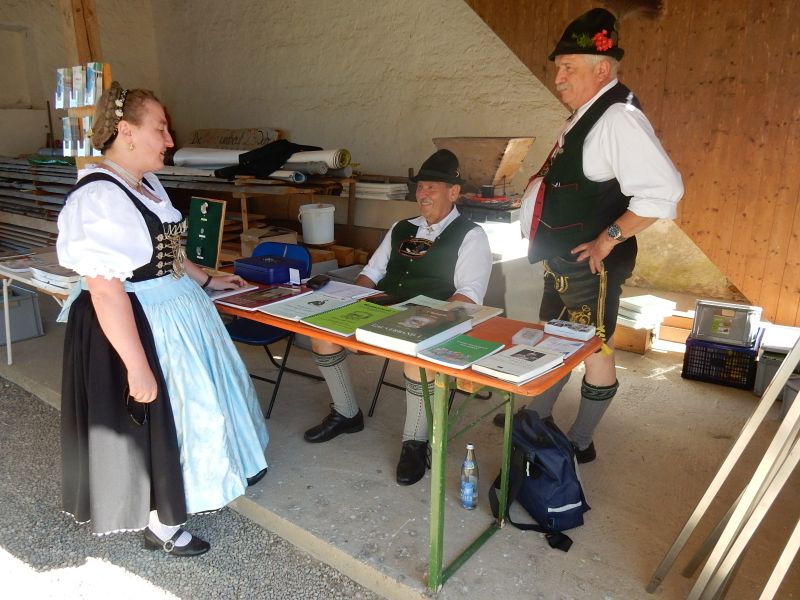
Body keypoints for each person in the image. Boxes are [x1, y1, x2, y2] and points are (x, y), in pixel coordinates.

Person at [57, 82, 269, 556]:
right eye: (161, 129)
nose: (170, 141)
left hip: (173, 308)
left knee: (196, 407)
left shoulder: (145, 183)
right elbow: (106, 290)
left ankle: (195, 488)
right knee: (158, 416)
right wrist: (136, 367)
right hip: (135, 320)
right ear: (127, 132)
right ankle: (163, 525)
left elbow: (167, 247)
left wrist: (206, 278)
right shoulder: (98, 198)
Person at [510, 9, 683, 463]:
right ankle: (537, 416)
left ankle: (581, 441)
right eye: (558, 68)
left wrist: (609, 238)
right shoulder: (590, 113)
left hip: (592, 264)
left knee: (595, 349)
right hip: (562, 258)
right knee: (555, 339)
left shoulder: (618, 118)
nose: (558, 79)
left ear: (601, 69)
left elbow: (663, 191)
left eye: (568, 68)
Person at [303, 149, 492, 486]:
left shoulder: (471, 235)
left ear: (453, 192)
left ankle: (415, 442)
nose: (423, 194)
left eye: (432, 187)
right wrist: (350, 303)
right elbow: (371, 273)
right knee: (321, 335)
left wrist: (423, 322)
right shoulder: (401, 227)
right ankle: (347, 413)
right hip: (382, 308)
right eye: (421, 187)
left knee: (416, 360)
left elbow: (469, 296)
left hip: (431, 319)